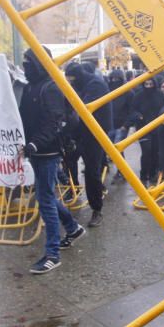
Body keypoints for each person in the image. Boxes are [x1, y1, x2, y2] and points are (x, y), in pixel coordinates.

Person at [20, 48, 85, 274]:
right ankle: (72, 227)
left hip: (47, 152)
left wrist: (35, 143)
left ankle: (52, 254)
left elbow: (55, 121)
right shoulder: (31, 86)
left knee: (45, 199)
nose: (24, 65)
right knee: (44, 195)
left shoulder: (50, 87)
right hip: (36, 150)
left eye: (28, 61)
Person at [66, 62, 111, 227]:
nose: (69, 82)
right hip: (80, 132)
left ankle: (96, 209)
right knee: (69, 161)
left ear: (77, 77)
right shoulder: (83, 84)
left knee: (92, 171)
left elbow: (81, 108)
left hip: (95, 134)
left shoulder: (95, 84)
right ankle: (74, 189)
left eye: (71, 79)